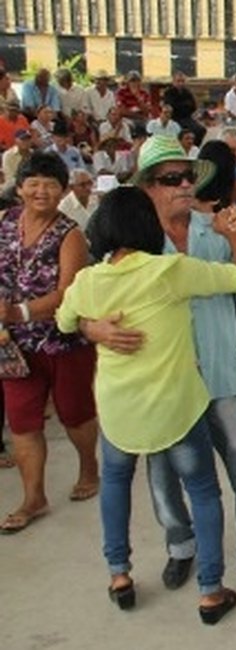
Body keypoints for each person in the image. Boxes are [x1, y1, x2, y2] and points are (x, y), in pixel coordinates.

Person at [80, 135, 236, 603]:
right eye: (172, 179)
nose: (185, 186)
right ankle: (181, 546)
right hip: (162, 384)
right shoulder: (129, 245)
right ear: (147, 187)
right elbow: (82, 303)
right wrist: (95, 330)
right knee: (164, 475)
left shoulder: (218, 229)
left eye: (189, 176)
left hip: (218, 372)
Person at [57, 186, 236, 623]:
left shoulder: (88, 281)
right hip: (177, 408)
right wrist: (234, 237)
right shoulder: (169, 271)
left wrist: (91, 326)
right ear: (148, 226)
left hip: (119, 410)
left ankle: (118, 573)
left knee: (116, 485)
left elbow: (65, 321)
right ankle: (211, 591)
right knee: (202, 491)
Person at [0, 152, 99, 534]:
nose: (41, 190)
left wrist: (20, 313)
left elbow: (67, 293)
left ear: (62, 191)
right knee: (23, 422)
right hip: (12, 345)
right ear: (20, 187)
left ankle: (89, 467)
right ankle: (33, 497)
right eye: (34, 183)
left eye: (50, 184)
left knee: (75, 412)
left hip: (63, 340)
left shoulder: (70, 233)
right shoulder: (5, 223)